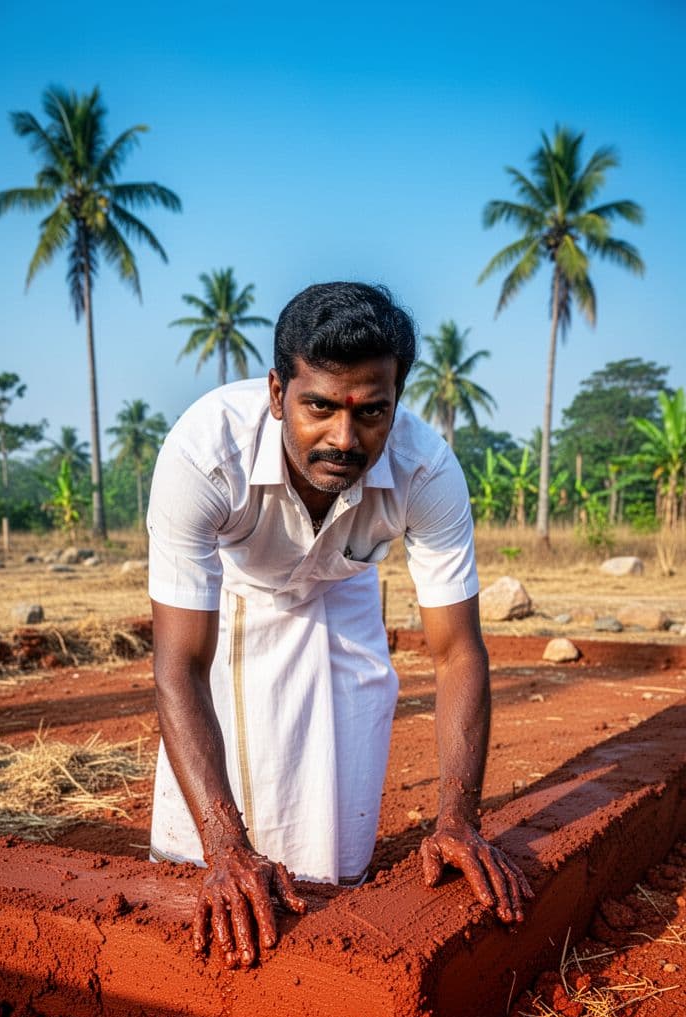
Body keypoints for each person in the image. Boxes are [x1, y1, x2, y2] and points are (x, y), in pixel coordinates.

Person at [147, 281, 532, 968]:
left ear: (397, 401)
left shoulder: (426, 468)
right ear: (276, 394)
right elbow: (180, 663)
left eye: (372, 412)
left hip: (346, 589)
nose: (344, 439)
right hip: (240, 589)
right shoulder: (204, 454)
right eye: (319, 407)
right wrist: (225, 846)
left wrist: (458, 820)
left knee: (334, 831)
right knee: (208, 833)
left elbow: (457, 653)